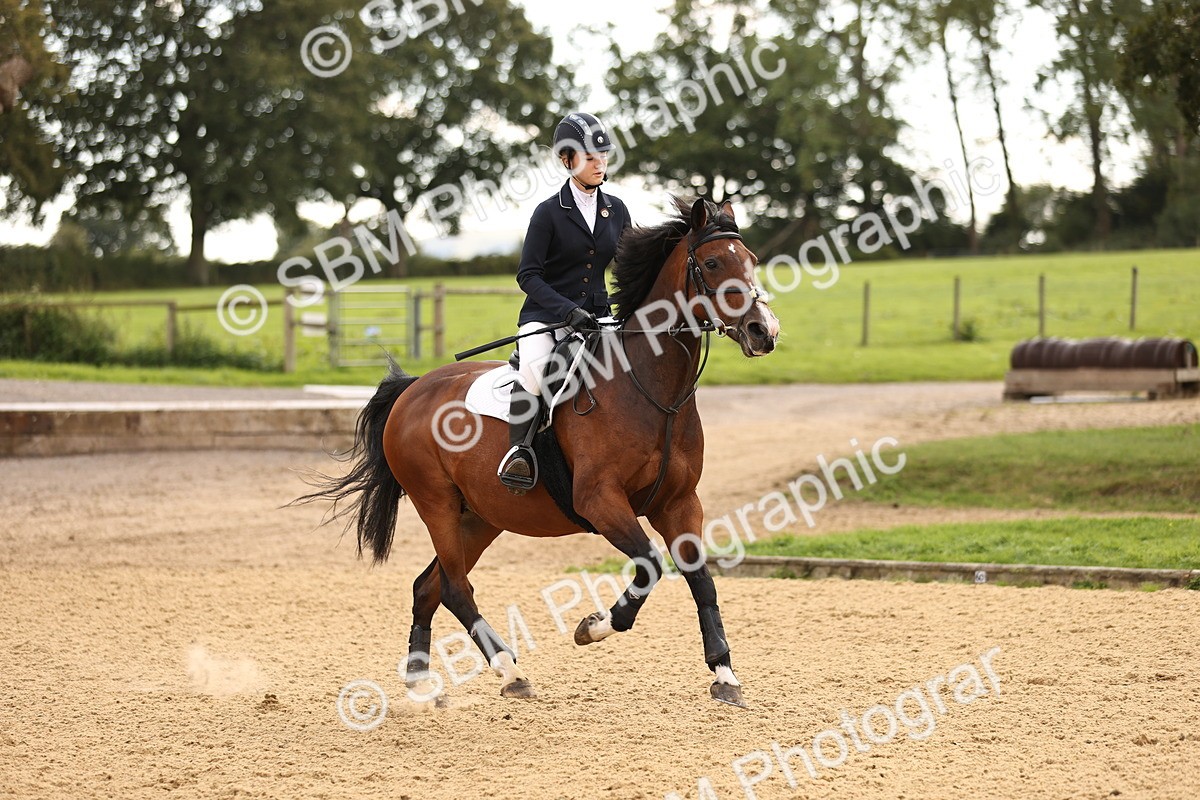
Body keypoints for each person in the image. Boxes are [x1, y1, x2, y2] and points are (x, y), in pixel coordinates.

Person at [497, 112, 633, 493]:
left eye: (603, 156)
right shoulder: (548, 212)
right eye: (590, 157)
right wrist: (566, 311)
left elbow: (630, 267)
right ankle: (519, 453)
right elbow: (528, 276)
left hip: (598, 317)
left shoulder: (617, 209)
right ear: (566, 160)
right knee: (537, 372)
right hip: (546, 317)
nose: (599, 164)